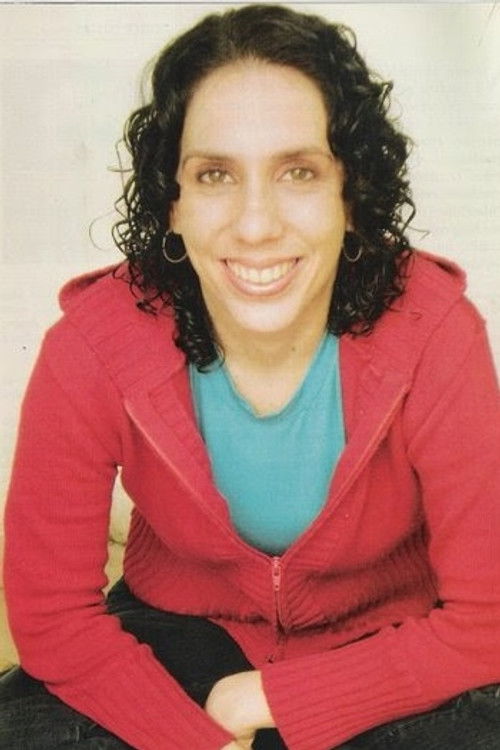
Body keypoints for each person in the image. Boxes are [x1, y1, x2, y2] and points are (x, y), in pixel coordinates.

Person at [1, 4, 500, 749]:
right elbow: (53, 619)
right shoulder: (94, 344)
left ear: (350, 195)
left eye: (298, 171)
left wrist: (266, 701)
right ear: (172, 203)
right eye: (215, 175)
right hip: (178, 633)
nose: (256, 223)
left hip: (390, 641)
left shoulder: (435, 332)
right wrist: (187, 737)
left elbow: (488, 616)